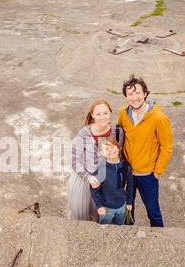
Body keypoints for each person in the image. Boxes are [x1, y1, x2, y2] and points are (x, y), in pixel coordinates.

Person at [116, 75, 172, 227]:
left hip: (147, 174)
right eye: (130, 94)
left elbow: (166, 147)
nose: (134, 97)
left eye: (138, 93)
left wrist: (157, 172)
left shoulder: (158, 118)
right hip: (127, 172)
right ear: (126, 97)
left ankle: (159, 238)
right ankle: (128, 235)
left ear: (145, 93)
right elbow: (119, 134)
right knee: (127, 209)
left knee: (153, 211)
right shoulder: (123, 113)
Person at [68, 99, 119, 221]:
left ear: (111, 113)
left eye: (105, 113)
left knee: (102, 217)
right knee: (82, 218)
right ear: (92, 115)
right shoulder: (84, 134)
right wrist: (89, 177)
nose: (102, 117)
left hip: (107, 181)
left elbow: (118, 155)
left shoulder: (117, 131)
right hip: (85, 181)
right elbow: (74, 161)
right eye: (98, 114)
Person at [90, 136, 133, 225]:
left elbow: (130, 185)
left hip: (122, 205)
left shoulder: (126, 166)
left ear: (118, 147)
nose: (110, 151)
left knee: (119, 226)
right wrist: (99, 206)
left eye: (112, 147)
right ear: (102, 153)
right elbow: (93, 189)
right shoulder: (100, 169)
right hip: (106, 207)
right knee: (104, 227)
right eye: (106, 149)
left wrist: (129, 201)